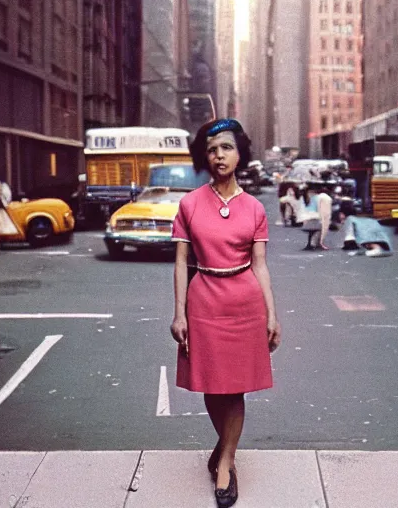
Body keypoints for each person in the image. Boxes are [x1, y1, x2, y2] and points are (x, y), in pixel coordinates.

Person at [170, 118, 281, 508]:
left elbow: (261, 265)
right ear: (205, 155)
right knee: (212, 385)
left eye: (227, 148)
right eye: (213, 149)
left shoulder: (254, 208)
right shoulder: (189, 203)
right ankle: (224, 446)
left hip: (245, 303)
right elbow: (181, 263)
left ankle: (225, 463)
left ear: (240, 154)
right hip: (204, 302)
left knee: (235, 388)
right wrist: (179, 313)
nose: (220, 155)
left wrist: (272, 313)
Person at [299, 184, 333, 250]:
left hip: (307, 218)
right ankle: (314, 243)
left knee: (313, 228)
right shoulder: (320, 197)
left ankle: (312, 243)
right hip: (314, 218)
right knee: (319, 227)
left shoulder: (307, 197)